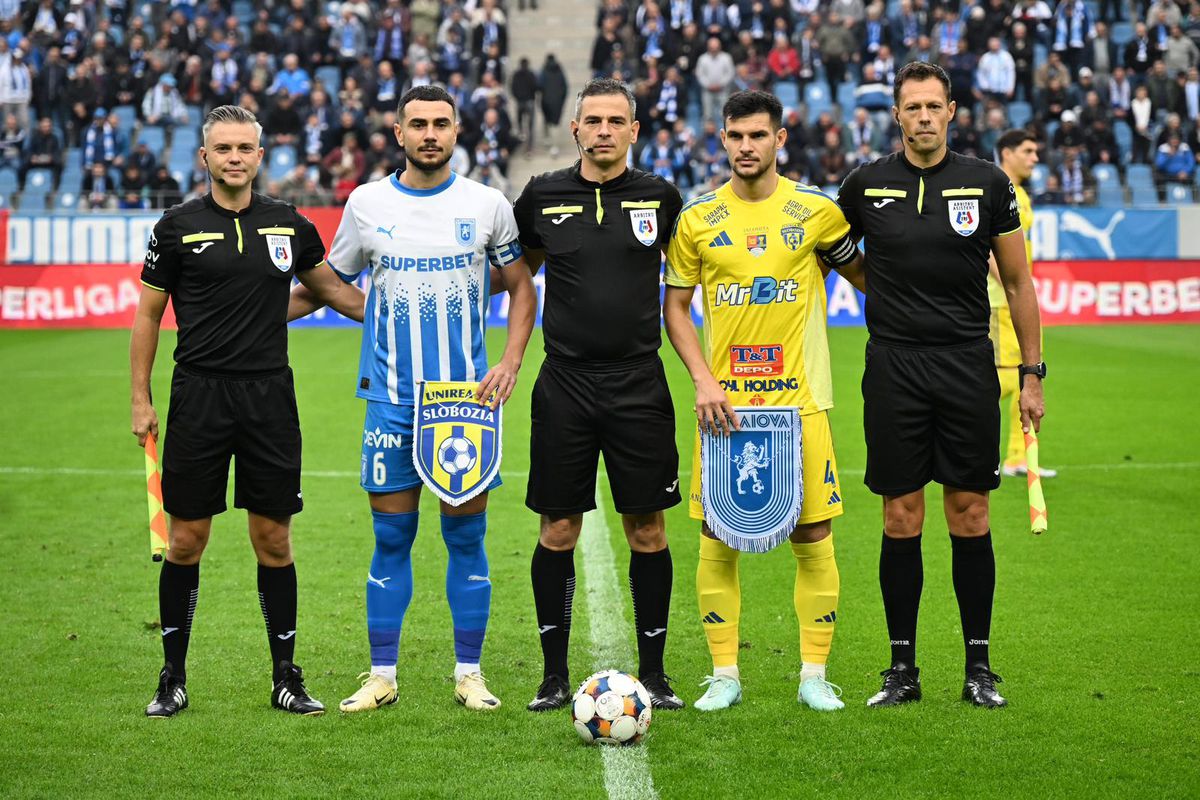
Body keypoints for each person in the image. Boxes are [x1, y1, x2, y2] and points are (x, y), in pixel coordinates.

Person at [289, 85, 537, 714]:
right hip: (391, 402)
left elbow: (520, 286)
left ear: (458, 131)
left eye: (442, 124)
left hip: (465, 403)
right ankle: (381, 675)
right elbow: (327, 284)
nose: (430, 134)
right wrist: (250, 316)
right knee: (390, 537)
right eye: (418, 124)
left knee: (466, 539)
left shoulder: (486, 204)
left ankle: (470, 674)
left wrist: (510, 361)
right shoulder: (366, 203)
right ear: (398, 132)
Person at [131, 105, 367, 718]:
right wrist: (140, 398)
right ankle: (172, 676)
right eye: (223, 148)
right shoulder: (176, 226)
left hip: (269, 398)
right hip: (199, 397)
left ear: (261, 157)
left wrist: (399, 318)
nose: (235, 157)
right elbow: (148, 316)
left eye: (246, 148)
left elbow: (330, 290)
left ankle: (286, 677)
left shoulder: (288, 224)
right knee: (186, 541)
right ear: (204, 157)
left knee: (274, 539)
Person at [835, 62, 1046, 709]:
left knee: (971, 512)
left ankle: (979, 669)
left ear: (953, 111)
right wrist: (884, 293)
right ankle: (902, 671)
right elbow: (836, 253)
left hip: (966, 366)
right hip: (894, 366)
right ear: (896, 114)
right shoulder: (865, 185)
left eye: (934, 106)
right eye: (912, 107)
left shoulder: (986, 184)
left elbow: (1018, 284)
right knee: (900, 516)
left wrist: (1032, 373)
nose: (923, 117)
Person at [662, 90, 865, 713]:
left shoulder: (817, 213)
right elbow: (674, 306)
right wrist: (703, 381)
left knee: (813, 532)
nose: (746, 146)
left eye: (758, 135)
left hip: (800, 404)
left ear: (780, 139)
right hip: (725, 409)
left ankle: (812, 675)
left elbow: (872, 278)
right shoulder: (698, 219)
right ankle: (725, 673)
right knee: (717, 539)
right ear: (722, 140)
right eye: (735, 136)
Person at [505, 78, 686, 712]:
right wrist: (507, 357)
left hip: (640, 383)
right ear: (575, 129)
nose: (604, 130)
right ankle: (553, 675)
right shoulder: (543, 194)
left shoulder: (661, 198)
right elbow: (518, 277)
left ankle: (656, 673)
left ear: (635, 130)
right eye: (593, 120)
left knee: (648, 529)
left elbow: (685, 287)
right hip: (566, 385)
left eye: (616, 120)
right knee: (558, 527)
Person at [988, 130, 1057, 481]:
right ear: (1006, 153)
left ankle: (1017, 457)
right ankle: (967, 441)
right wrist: (1011, 286)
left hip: (1013, 301)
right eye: (1027, 151)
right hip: (999, 303)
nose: (1034, 158)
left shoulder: (1021, 195)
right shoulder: (997, 188)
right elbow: (987, 249)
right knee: (998, 382)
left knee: (1025, 377)